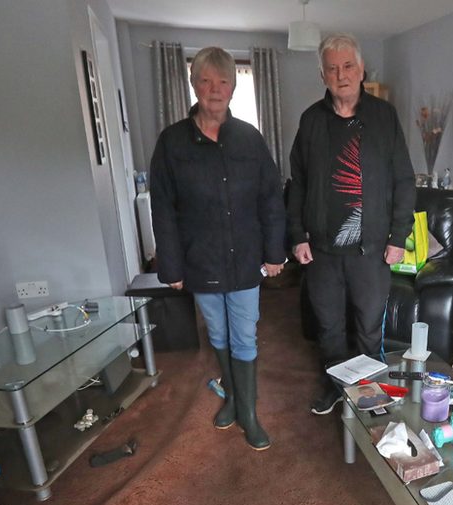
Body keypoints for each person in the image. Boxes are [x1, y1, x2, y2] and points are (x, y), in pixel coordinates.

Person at [150, 46, 285, 451]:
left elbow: (270, 198)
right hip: (200, 258)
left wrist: (274, 252)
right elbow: (163, 207)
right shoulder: (172, 141)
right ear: (193, 85)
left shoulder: (249, 137)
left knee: (244, 334)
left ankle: (249, 412)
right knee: (219, 334)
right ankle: (232, 398)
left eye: (223, 80)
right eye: (206, 80)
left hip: (245, 256)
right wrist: (170, 266)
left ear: (232, 87)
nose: (214, 88)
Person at [288, 33, 416, 415]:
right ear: (323, 75)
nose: (340, 74)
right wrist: (297, 235)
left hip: (372, 249)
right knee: (327, 327)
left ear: (361, 71)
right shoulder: (311, 120)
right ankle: (332, 385)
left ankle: (366, 389)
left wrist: (399, 236)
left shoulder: (384, 116)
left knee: (368, 327)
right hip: (324, 250)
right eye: (332, 68)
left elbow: (404, 180)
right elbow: (297, 184)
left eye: (348, 66)